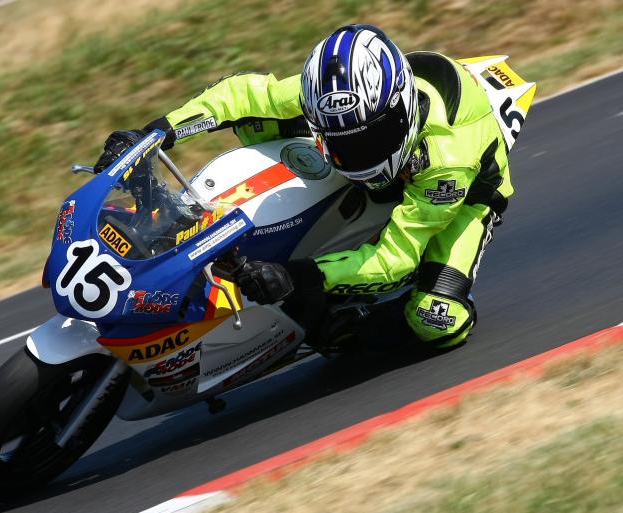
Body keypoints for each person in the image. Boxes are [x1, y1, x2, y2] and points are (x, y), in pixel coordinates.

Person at [94, 24, 513, 351]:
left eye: (369, 141)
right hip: (385, 128)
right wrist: (153, 135)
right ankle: (187, 214)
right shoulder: (330, 97)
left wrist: (297, 276)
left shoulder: (448, 163)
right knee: (257, 118)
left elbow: (396, 259)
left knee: (437, 319)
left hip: (468, 196)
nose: (357, 155)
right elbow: (238, 96)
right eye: (342, 141)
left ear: (401, 115)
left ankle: (356, 322)